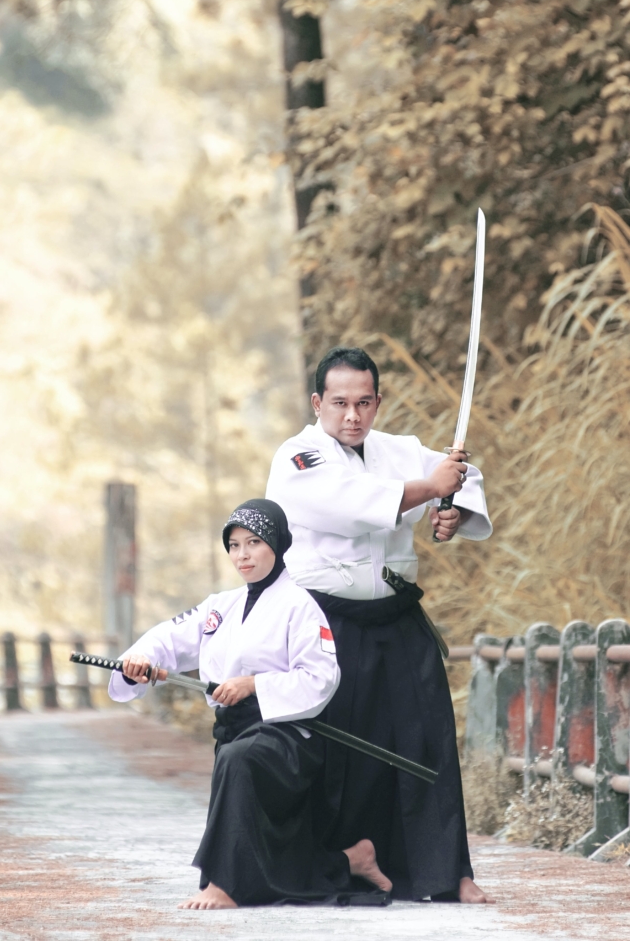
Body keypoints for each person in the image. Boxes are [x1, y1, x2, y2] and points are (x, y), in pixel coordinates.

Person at [266, 347, 494, 903]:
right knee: (333, 746)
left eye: (364, 402)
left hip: (396, 613)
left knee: (427, 737)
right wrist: (430, 489)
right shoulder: (298, 458)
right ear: (317, 402)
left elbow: (464, 472)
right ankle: (335, 865)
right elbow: (349, 505)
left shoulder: (400, 451)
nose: (352, 415)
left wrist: (455, 508)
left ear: (377, 402)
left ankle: (449, 873)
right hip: (325, 618)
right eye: (339, 402)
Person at [109, 498, 393, 909]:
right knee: (257, 826)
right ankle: (351, 860)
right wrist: (140, 661)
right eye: (234, 545)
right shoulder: (218, 607)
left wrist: (255, 685)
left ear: (276, 545)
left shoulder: (301, 604)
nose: (242, 555)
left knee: (238, 760)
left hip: (289, 735)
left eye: (254, 543)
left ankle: (223, 884)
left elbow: (322, 677)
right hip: (236, 731)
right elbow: (167, 639)